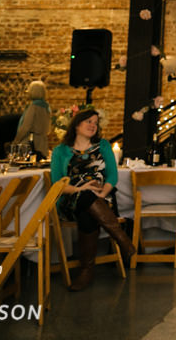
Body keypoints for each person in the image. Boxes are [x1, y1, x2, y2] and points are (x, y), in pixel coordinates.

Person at [50, 108, 134, 292]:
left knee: (88, 208)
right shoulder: (60, 151)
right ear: (76, 124)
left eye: (95, 123)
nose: (93, 126)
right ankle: (122, 238)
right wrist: (80, 188)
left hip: (103, 198)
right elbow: (57, 184)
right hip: (71, 198)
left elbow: (112, 176)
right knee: (85, 197)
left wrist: (103, 193)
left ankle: (86, 271)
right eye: (88, 121)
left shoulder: (103, 145)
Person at [14, 80, 52, 159]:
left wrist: (16, 141)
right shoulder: (46, 107)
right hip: (42, 145)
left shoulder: (33, 107)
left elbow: (26, 126)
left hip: (31, 144)